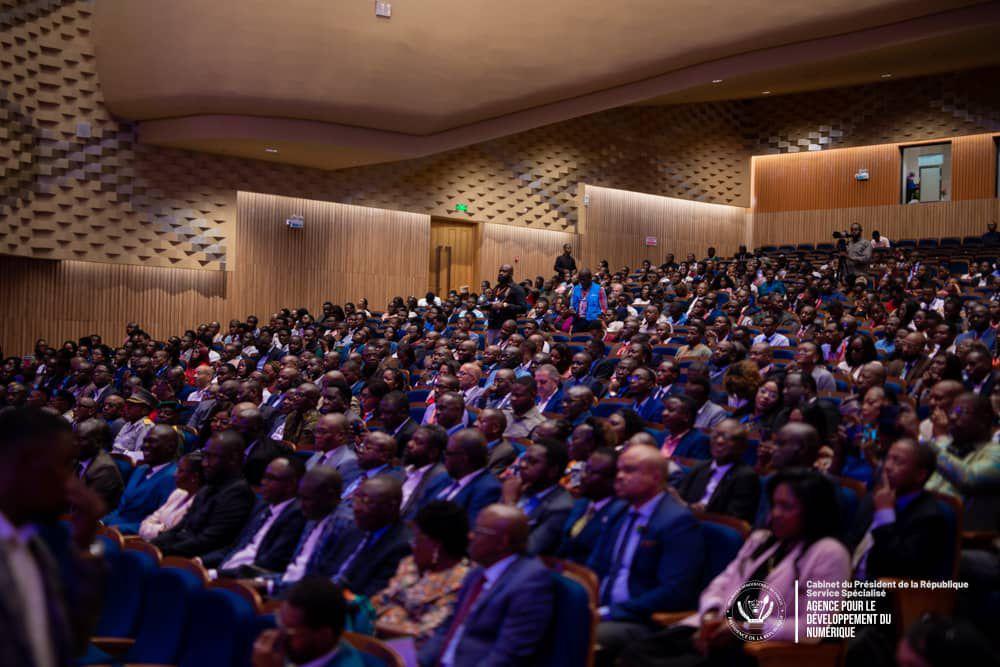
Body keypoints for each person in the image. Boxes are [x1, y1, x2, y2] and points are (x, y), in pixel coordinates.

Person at [619, 469, 851, 666]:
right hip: (714, 631)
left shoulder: (829, 553)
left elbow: (816, 626)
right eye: (774, 505)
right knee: (632, 653)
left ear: (814, 511)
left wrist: (745, 626)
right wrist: (711, 614)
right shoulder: (762, 539)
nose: (775, 515)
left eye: (786, 507)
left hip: (759, 650)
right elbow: (722, 582)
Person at [0, 408, 106, 667]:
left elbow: (72, 641)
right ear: (21, 464)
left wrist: (84, 545)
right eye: (65, 466)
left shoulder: (34, 546)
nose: (72, 484)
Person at [589, 445, 706, 666]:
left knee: (579, 633)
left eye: (630, 470)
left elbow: (674, 591)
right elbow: (595, 565)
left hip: (641, 620)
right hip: (600, 609)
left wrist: (609, 612)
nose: (620, 476)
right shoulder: (618, 510)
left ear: (655, 477)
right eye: (619, 470)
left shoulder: (677, 522)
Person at [418, 504, 555, 667]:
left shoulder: (530, 583)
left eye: (478, 532)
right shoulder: (477, 572)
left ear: (502, 542)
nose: (470, 536)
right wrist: (417, 662)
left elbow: (508, 656)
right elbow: (448, 626)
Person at [846, 438, 950, 580]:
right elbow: (851, 542)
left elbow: (897, 565)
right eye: (887, 458)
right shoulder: (873, 499)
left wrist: (885, 514)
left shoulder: (929, 517)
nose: (887, 466)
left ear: (920, 475)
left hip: (886, 594)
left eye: (898, 462)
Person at [373, 501, 472, 644]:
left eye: (416, 539)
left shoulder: (461, 582)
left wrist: (385, 619)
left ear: (436, 545)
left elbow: (428, 633)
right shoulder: (410, 564)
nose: (412, 545)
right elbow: (378, 602)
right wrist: (399, 615)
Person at [152, 430, 256, 557]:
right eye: (205, 456)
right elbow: (181, 527)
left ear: (233, 459)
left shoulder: (239, 494)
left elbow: (209, 541)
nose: (204, 463)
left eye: (212, 457)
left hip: (198, 562)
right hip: (179, 551)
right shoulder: (208, 487)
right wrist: (153, 546)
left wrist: (163, 552)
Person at [205, 457, 307, 578]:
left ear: (291, 485)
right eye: (264, 477)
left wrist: (216, 574)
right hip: (224, 570)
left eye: (271, 478)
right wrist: (201, 561)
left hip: (247, 581)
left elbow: (268, 564)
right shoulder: (262, 506)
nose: (263, 482)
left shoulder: (297, 516)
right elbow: (235, 547)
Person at [321, 476, 411, 597]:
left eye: (367, 502)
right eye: (357, 499)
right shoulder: (353, 529)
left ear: (391, 506)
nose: (357, 508)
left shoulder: (402, 546)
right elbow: (325, 568)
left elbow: (372, 596)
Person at [925, 393, 1000, 531]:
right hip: (924, 526)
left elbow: (969, 478)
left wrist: (933, 447)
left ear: (985, 419)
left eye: (962, 412)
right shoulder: (944, 446)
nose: (953, 417)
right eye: (952, 412)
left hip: (965, 542)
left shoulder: (995, 452)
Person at [252, 578, 366, 667]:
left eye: (289, 632)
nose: (277, 636)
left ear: (323, 636)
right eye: (279, 623)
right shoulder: (300, 652)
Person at [676, 419, 760, 524]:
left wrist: (704, 513)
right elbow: (679, 498)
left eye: (727, 437)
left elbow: (736, 519)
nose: (719, 441)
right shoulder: (700, 467)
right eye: (715, 435)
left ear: (741, 446)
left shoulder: (746, 476)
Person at [501, 438, 574, 556]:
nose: (523, 465)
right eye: (524, 459)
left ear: (553, 471)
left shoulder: (561, 507)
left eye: (532, 462)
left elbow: (530, 549)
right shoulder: (519, 487)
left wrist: (510, 503)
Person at [103, 424, 179, 534]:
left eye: (152, 442)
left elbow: (160, 525)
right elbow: (122, 509)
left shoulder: (173, 478)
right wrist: (102, 522)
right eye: (145, 441)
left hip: (133, 539)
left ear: (170, 447)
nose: (144, 446)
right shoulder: (140, 469)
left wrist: (118, 530)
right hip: (111, 529)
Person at [558, 448, 626, 565]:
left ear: (612, 480)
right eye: (585, 469)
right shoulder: (581, 503)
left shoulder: (618, 515)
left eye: (593, 473)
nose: (583, 476)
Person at [427, 428, 502, 525]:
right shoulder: (445, 476)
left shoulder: (488, 489)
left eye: (448, 453)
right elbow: (421, 504)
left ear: (463, 458)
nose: (444, 458)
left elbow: (469, 529)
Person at [138, 451, 204, 540]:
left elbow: (175, 534)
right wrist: (162, 529)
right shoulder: (178, 493)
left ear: (194, 477)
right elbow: (145, 523)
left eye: (180, 471)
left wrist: (157, 528)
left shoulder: (200, 502)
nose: (174, 474)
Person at [74, 418, 124, 510]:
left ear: (99, 442)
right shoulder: (76, 459)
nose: (74, 443)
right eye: (74, 438)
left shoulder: (104, 468)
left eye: (81, 439)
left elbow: (86, 506)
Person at [400, 424, 449, 518]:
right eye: (412, 439)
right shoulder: (404, 470)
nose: (410, 444)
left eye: (418, 442)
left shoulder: (441, 479)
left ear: (433, 453)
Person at [305, 413, 362, 489]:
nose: (317, 435)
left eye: (323, 432)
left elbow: (342, 496)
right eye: (316, 431)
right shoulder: (318, 455)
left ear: (340, 435)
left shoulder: (350, 462)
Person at [659, 396, 711, 460]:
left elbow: (696, 468)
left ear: (686, 416)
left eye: (671, 410)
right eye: (664, 409)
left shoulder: (700, 441)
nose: (664, 413)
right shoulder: (662, 435)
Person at [111, 387, 156, 461]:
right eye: (128, 404)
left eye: (132, 406)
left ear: (144, 410)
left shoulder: (146, 426)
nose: (127, 408)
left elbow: (140, 455)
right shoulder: (128, 423)